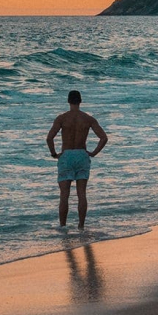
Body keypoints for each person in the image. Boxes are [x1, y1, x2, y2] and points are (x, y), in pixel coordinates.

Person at [46, 90, 108, 229]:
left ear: (68, 101)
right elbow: (103, 138)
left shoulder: (62, 118)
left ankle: (63, 226)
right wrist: (93, 153)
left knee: (64, 195)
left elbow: (49, 138)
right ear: (80, 101)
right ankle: (81, 226)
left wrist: (54, 154)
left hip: (66, 155)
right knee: (82, 194)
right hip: (81, 155)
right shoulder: (88, 119)